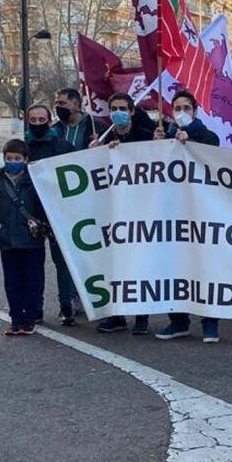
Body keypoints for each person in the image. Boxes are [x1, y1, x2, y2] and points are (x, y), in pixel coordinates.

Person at [152, 91, 223, 343]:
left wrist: (191, 139)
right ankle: (178, 321)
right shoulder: (164, 135)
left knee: (205, 267)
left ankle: (210, 323)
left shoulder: (208, 136)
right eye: (177, 107)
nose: (181, 111)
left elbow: (214, 156)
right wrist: (156, 145)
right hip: (171, 213)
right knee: (172, 266)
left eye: (186, 107)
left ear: (195, 111)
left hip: (200, 212)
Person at [90, 92, 155, 335]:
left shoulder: (146, 138)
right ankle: (116, 315)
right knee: (114, 264)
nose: (118, 112)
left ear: (132, 112)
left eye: (122, 108)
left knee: (140, 263)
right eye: (113, 108)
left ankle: (141, 316)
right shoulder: (103, 140)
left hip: (142, 212)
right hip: (113, 212)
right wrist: (95, 153)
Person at [23, 103, 81, 326]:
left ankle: (66, 307)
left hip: (58, 213)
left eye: (41, 119)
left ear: (49, 120)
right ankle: (35, 308)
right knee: (33, 264)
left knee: (62, 263)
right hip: (30, 213)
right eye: (33, 120)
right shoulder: (22, 146)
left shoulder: (63, 146)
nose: (37, 123)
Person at [0, 139, 47, 336]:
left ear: (26, 159)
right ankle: (15, 318)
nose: (13, 161)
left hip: (32, 241)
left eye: (17, 158)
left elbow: (45, 208)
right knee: (12, 282)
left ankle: (29, 318)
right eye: (9, 158)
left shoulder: (35, 182)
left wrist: (41, 225)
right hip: (8, 241)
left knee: (32, 281)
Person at [53, 87, 106, 151]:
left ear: (76, 104)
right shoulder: (54, 129)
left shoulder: (96, 125)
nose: (57, 107)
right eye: (56, 103)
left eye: (62, 103)